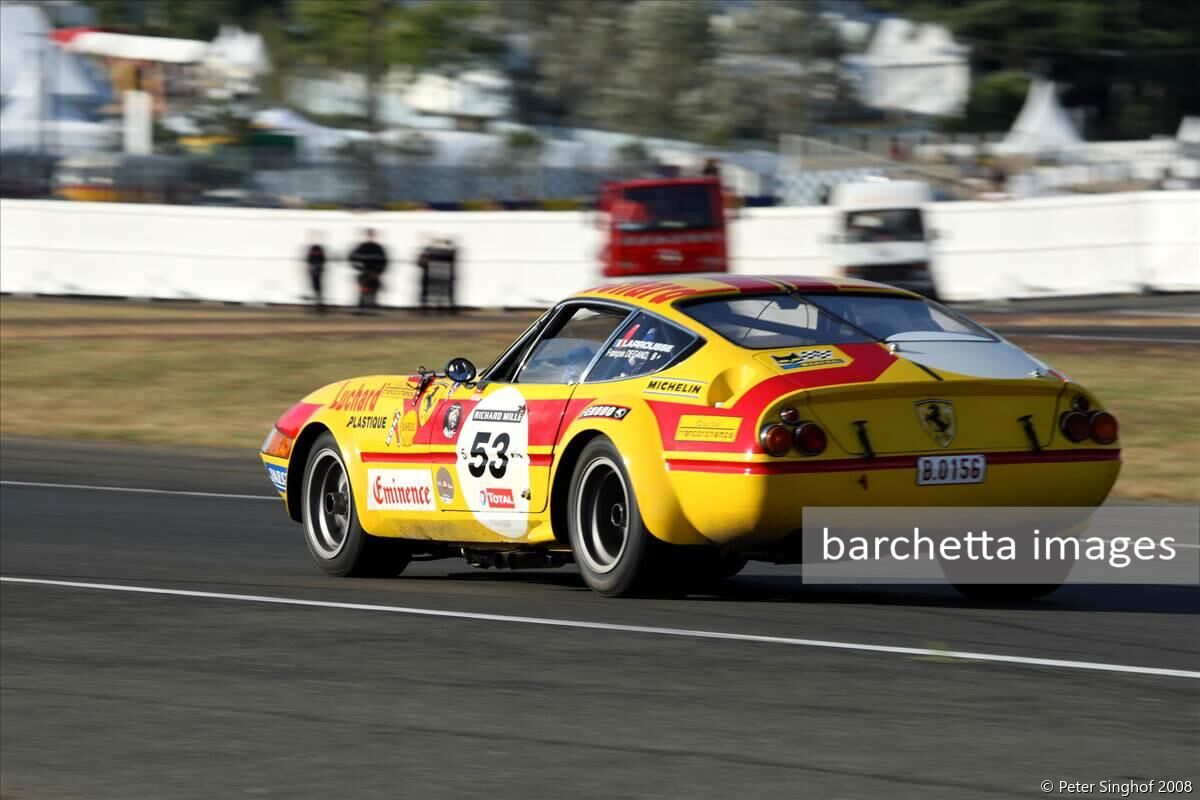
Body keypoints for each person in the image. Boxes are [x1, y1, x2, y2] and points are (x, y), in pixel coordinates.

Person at [348, 228, 388, 314]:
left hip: (374, 273)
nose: (370, 237)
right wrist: (359, 268)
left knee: (373, 292)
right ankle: (362, 308)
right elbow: (351, 257)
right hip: (365, 272)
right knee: (363, 291)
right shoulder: (362, 247)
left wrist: (378, 272)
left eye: (371, 235)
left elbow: (384, 261)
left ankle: (371, 308)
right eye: (369, 235)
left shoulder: (378, 248)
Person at [417, 236, 459, 314]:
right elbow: (420, 263)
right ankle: (428, 309)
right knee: (435, 294)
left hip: (439, 275)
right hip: (434, 276)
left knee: (443, 294)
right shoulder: (434, 253)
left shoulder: (443, 253)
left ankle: (444, 309)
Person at [304, 232, 327, 314]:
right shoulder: (311, 249)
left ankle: (319, 308)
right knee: (315, 290)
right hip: (314, 273)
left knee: (318, 290)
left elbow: (322, 260)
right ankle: (316, 307)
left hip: (318, 273)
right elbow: (309, 261)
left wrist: (317, 268)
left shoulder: (319, 249)